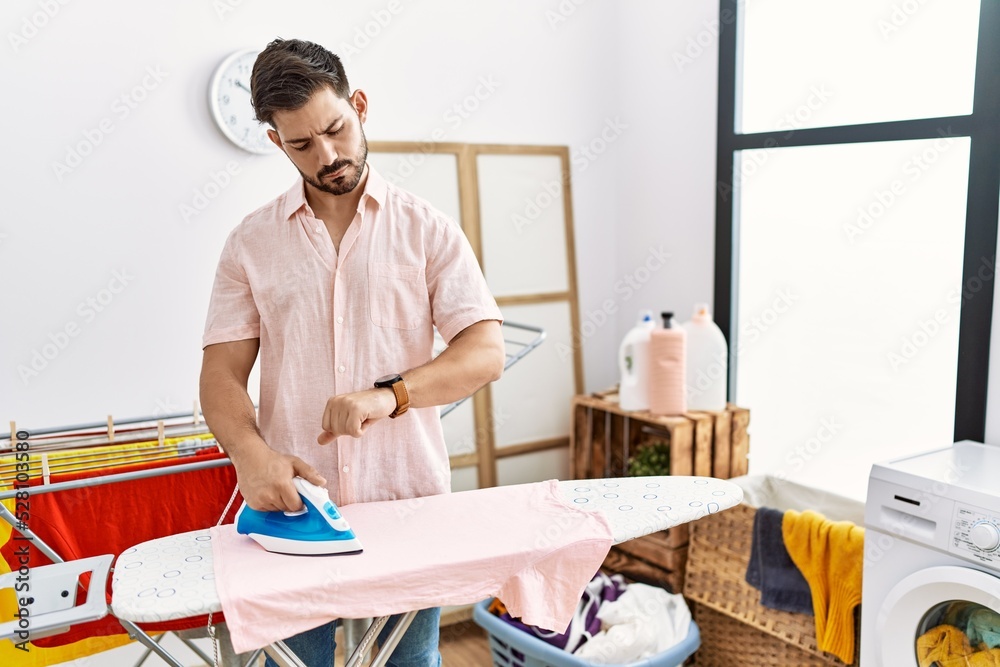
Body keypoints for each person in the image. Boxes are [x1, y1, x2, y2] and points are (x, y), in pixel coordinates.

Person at [199, 37, 506, 667]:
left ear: (359, 106)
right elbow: (221, 375)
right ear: (274, 141)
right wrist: (252, 455)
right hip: (293, 513)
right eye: (303, 144)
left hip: (406, 508)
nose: (329, 155)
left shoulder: (428, 230)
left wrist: (389, 395)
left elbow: (484, 352)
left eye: (336, 129)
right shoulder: (249, 245)